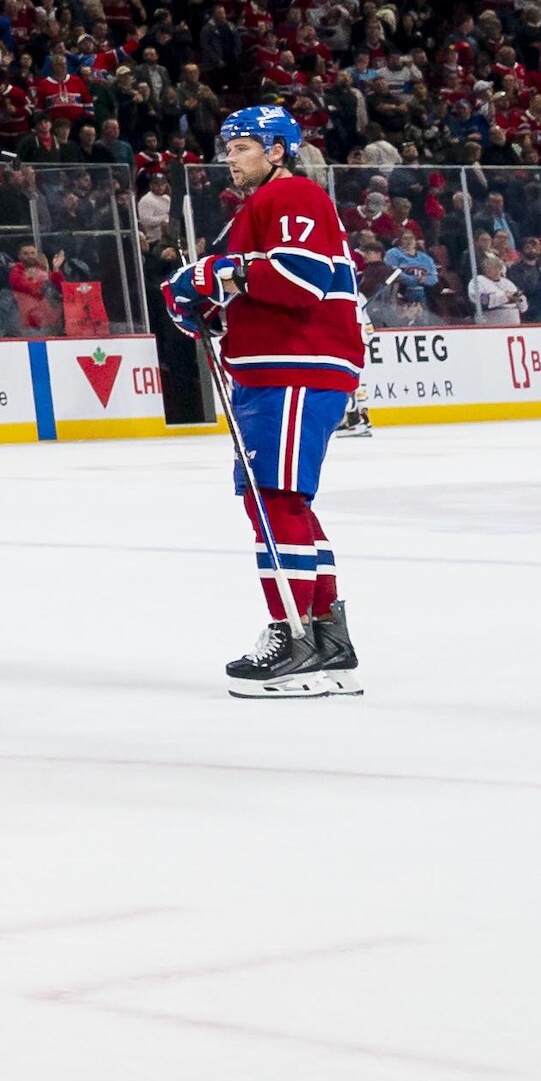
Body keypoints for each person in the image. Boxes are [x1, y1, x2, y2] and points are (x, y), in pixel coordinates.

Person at [174, 104, 368, 695]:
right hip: (275, 368)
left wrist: (216, 276)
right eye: (228, 148)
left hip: (296, 366)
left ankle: (293, 636)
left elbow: (299, 280)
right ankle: (328, 637)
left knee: (273, 500)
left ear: (278, 149)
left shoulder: (294, 197)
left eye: (242, 148)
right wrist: (201, 297)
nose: (229, 158)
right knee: (287, 502)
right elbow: (242, 289)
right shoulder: (257, 209)